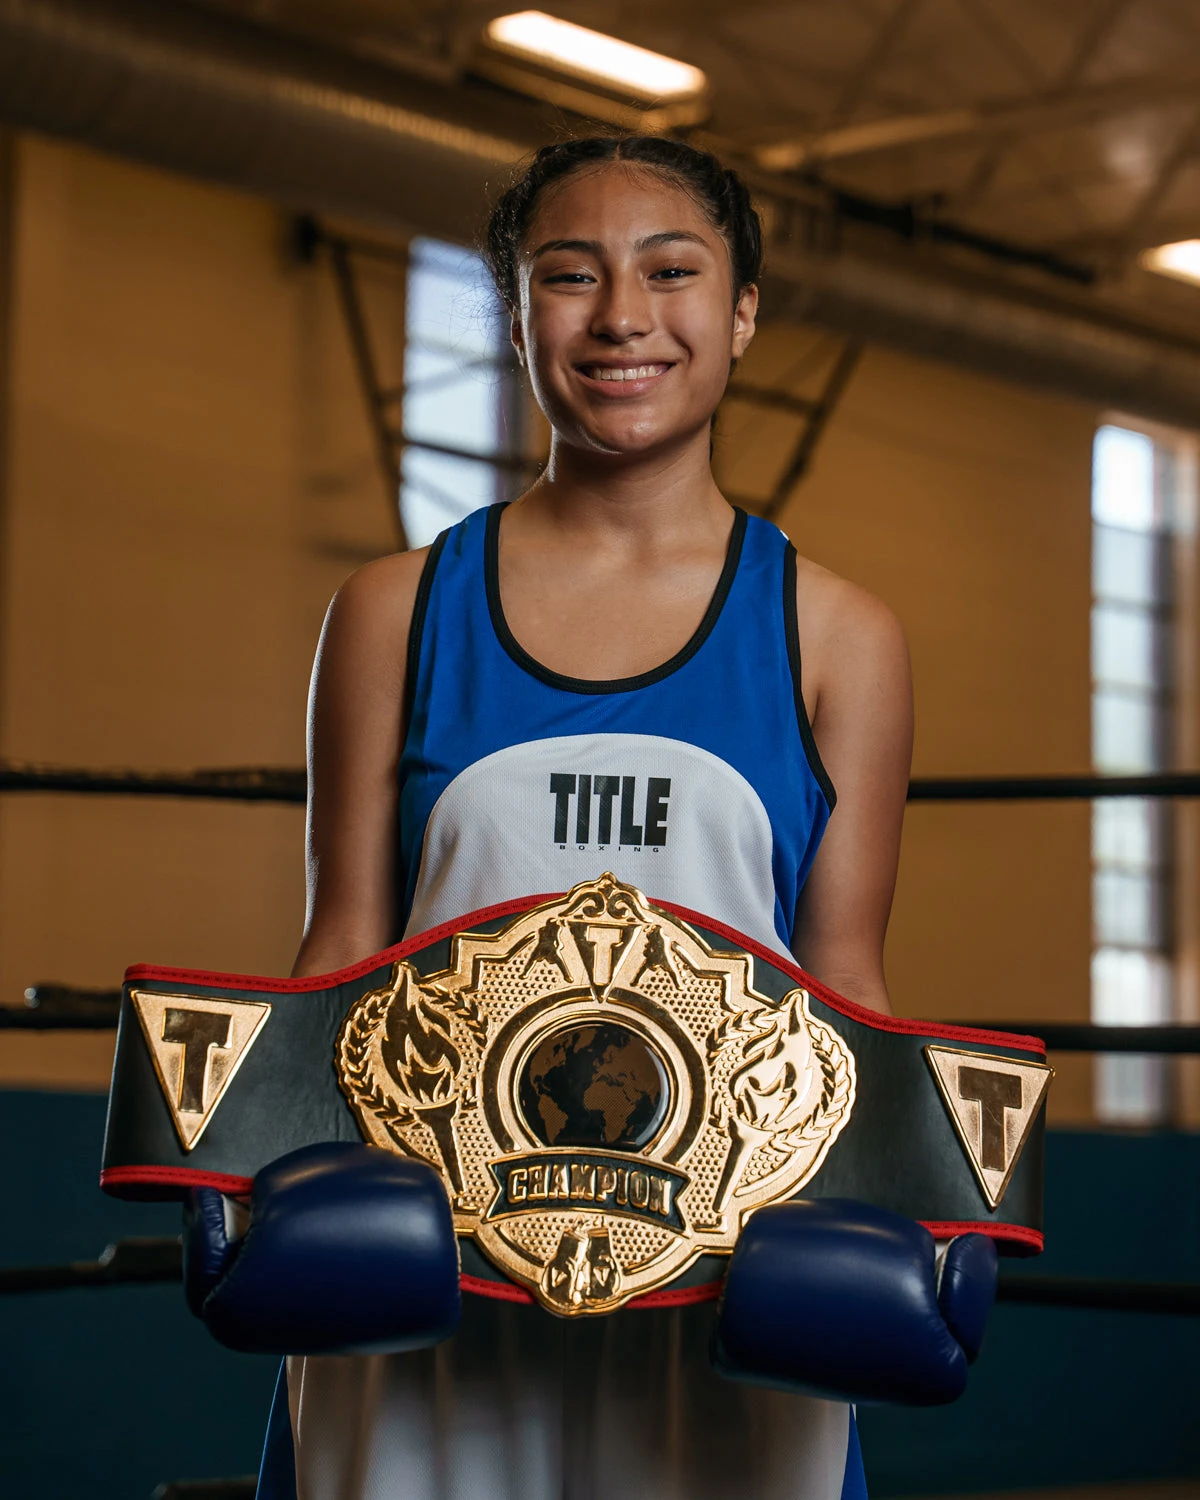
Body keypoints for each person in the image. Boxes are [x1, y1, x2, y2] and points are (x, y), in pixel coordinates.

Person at [264, 135, 915, 1499]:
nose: (623, 316)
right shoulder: (394, 610)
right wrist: (261, 1177)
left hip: (722, 1288)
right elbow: (340, 953)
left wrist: (915, 1203)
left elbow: (843, 984)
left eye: (672, 272)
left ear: (742, 311)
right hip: (432, 1279)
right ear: (517, 319)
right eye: (570, 275)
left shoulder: (837, 635)